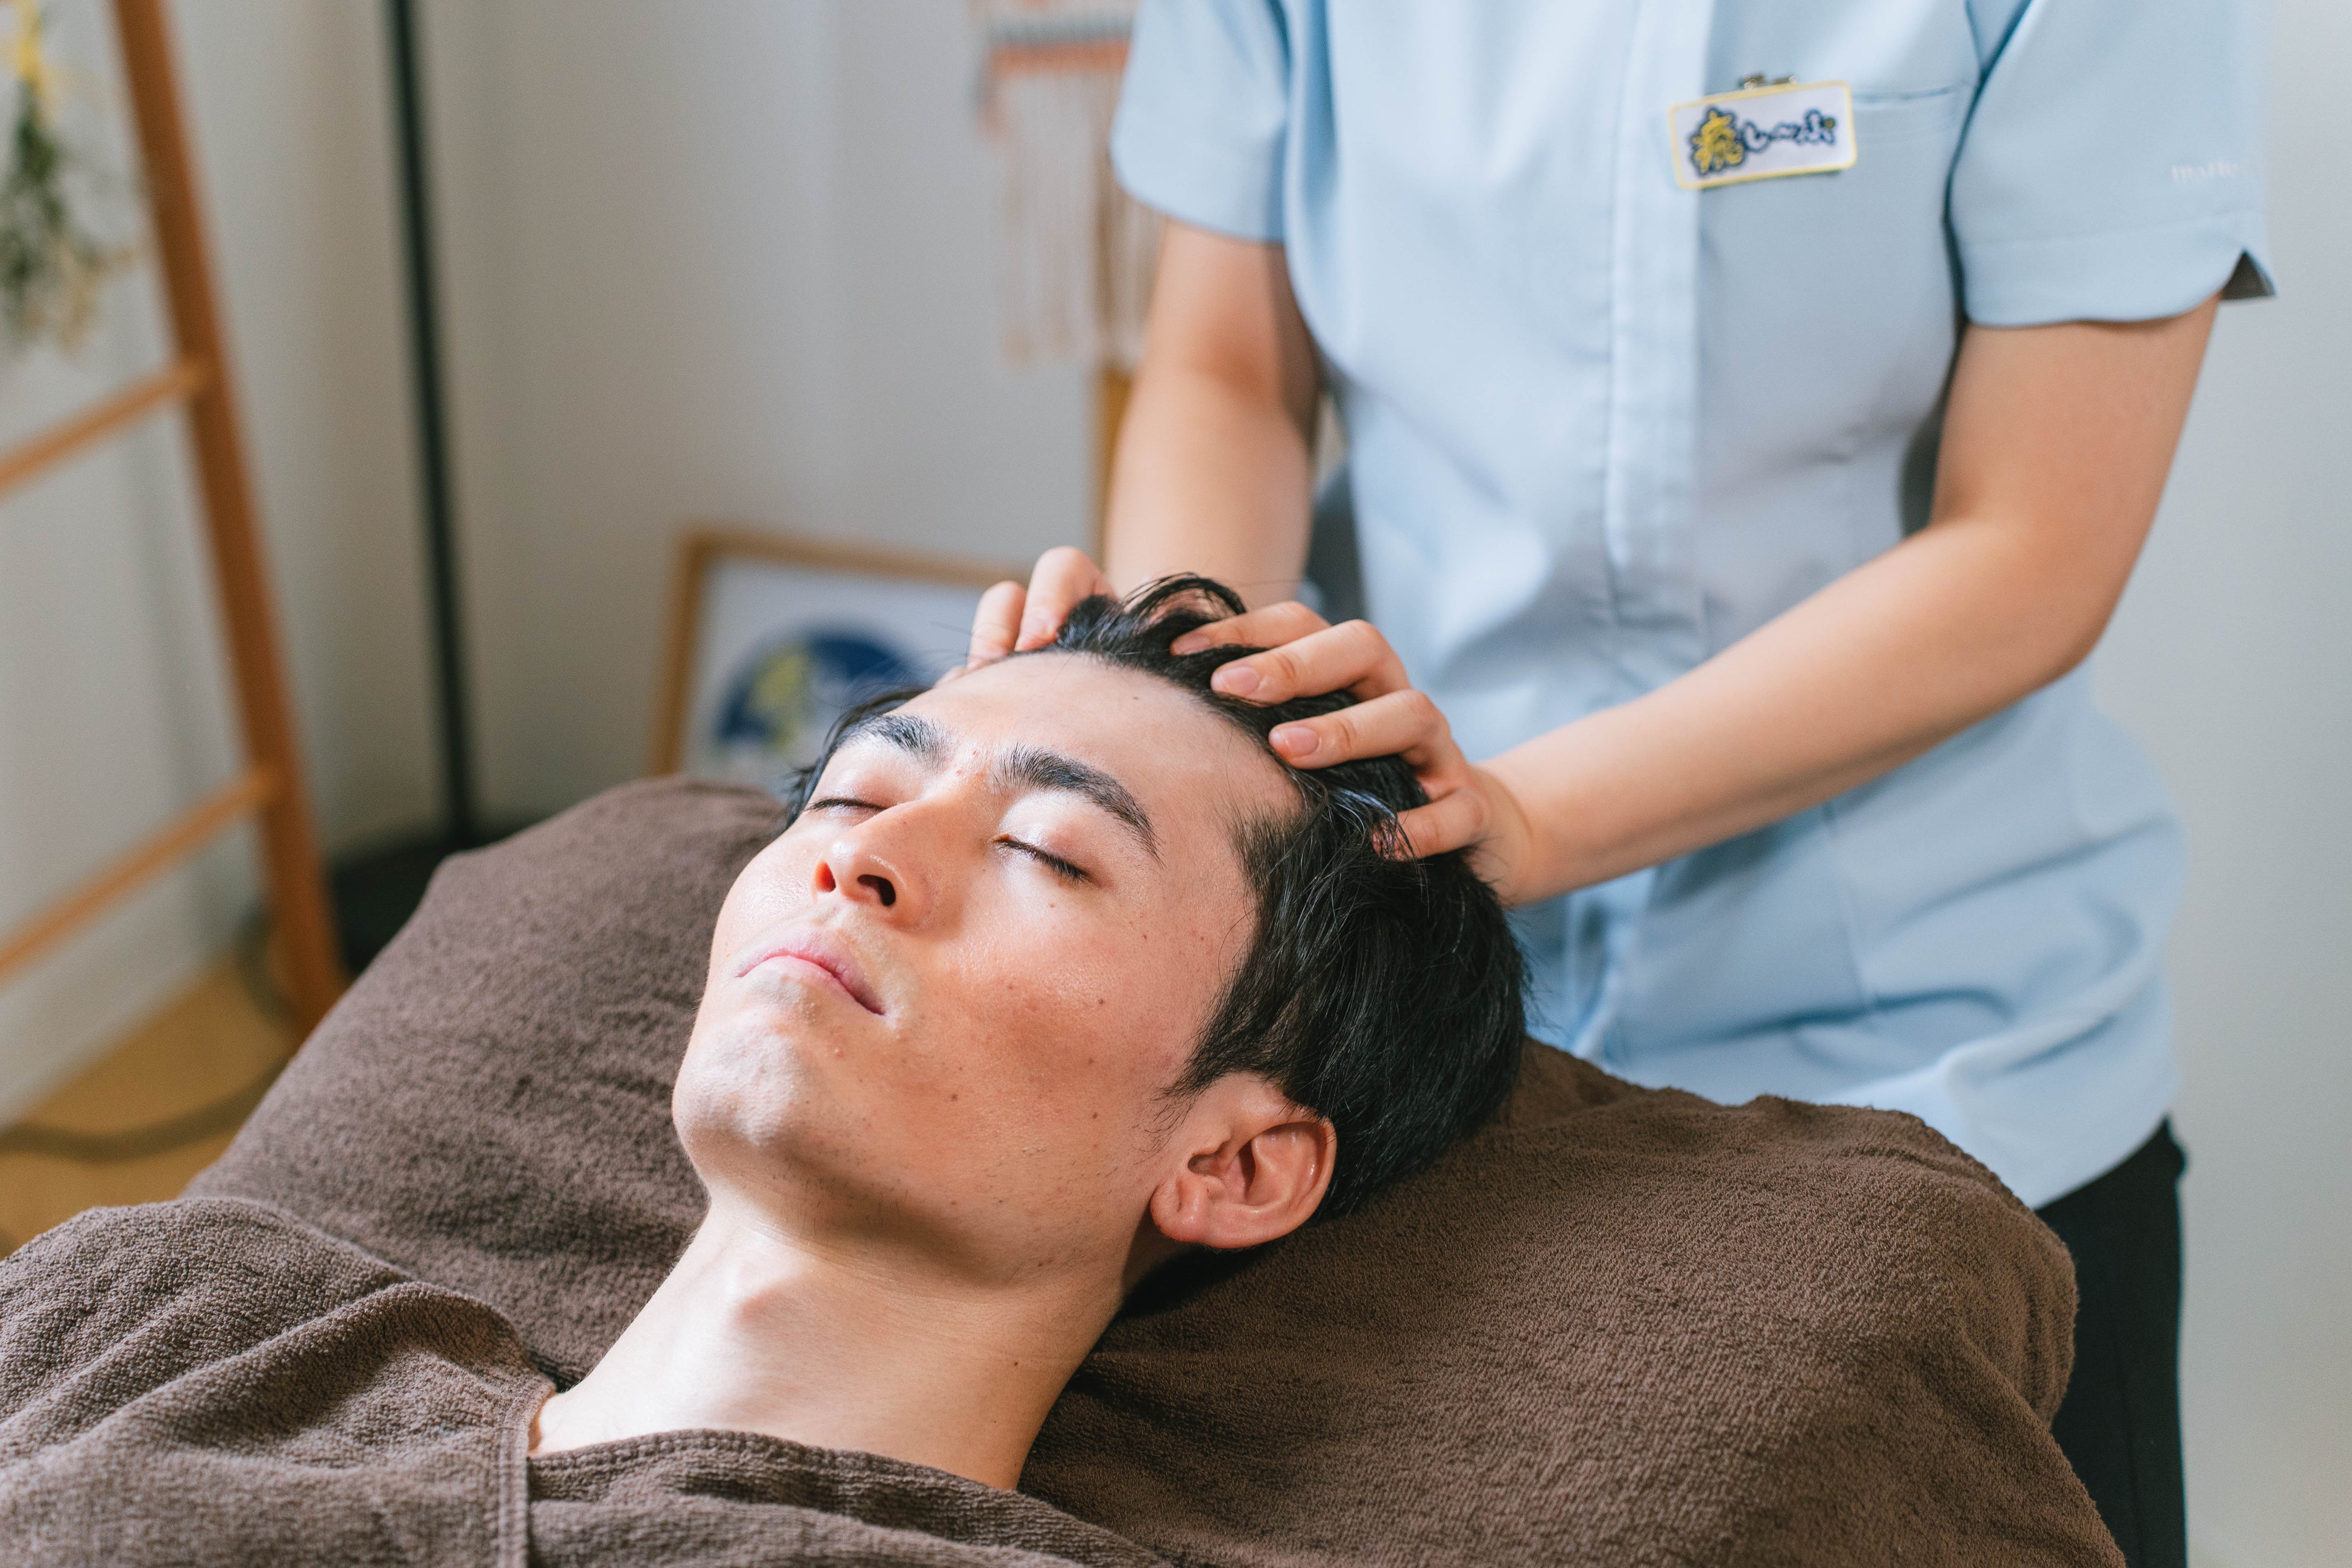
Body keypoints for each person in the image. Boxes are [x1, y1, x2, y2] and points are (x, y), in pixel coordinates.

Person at [969, 5, 2272, 1563]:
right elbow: (1227, 366)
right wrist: (1186, 702)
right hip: (1406, 1070)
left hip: (1936, 1060)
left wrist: (1515, 817)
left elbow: (2033, 549)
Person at [0, 580, 1523, 1564]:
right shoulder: (177, 1310)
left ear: (1233, 1163)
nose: (862, 854)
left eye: (1050, 850)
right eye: (853, 790)